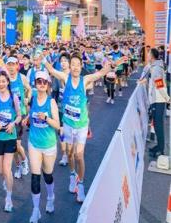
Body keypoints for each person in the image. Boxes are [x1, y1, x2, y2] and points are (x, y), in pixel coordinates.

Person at [45, 52, 126, 203]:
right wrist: (42, 59)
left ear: (81, 66)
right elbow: (51, 70)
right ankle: (72, 174)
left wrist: (114, 64)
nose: (75, 67)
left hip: (81, 125)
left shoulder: (85, 80)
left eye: (78, 64)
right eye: (73, 64)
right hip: (68, 124)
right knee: (70, 153)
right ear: (70, 66)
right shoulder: (65, 78)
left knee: (79, 155)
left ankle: (80, 185)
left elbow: (101, 73)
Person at [24, 71, 60, 223]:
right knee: (35, 176)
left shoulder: (51, 102)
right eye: (39, 81)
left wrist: (46, 118)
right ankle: (35, 209)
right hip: (34, 143)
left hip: (49, 144)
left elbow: (57, 125)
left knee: (48, 175)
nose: (42, 84)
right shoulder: (32, 98)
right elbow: (30, 114)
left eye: (45, 82)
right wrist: (27, 118)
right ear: (35, 83)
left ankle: (50, 197)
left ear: (48, 85)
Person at [0, 71, 22, 212]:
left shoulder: (14, 98)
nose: (1, 84)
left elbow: (19, 116)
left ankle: (9, 198)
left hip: (10, 137)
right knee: (0, 170)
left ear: (8, 82)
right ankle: (6, 180)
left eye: (3, 81)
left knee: (7, 169)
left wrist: (13, 123)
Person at [139, 48, 169, 158]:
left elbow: (159, 84)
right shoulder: (154, 67)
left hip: (158, 100)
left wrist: (167, 98)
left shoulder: (156, 68)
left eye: (148, 54)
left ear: (152, 56)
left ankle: (161, 150)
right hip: (156, 99)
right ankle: (159, 147)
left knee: (158, 125)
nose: (147, 55)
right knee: (156, 124)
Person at [5, 56, 31, 179]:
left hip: (20, 114)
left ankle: (24, 160)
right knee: (12, 145)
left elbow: (29, 90)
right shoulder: (5, 79)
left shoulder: (22, 77)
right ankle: (18, 165)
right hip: (8, 115)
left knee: (16, 144)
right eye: (9, 64)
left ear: (17, 66)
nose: (11, 67)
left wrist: (27, 98)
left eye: (13, 64)